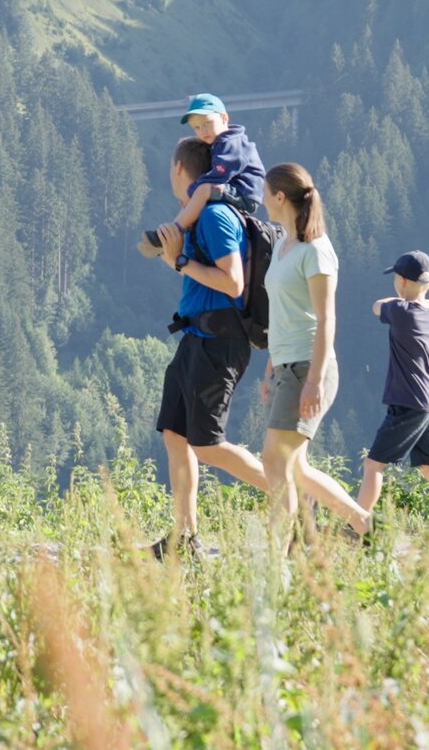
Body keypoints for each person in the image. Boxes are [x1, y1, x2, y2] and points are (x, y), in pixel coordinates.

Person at [150, 136, 269, 559]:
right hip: (195, 339)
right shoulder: (198, 217)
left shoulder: (216, 216)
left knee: (207, 444)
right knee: (176, 434)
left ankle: (289, 492)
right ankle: (184, 537)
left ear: (180, 169)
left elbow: (233, 282)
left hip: (220, 343)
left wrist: (180, 262)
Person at [258, 163, 371, 546]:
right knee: (296, 467)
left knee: (275, 460)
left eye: (264, 191)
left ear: (279, 197)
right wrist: (271, 363)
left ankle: (283, 552)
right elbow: (284, 309)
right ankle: (364, 524)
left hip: (309, 365)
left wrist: (314, 381)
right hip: (286, 364)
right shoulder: (283, 245)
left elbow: (326, 319)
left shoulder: (317, 251)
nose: (260, 198)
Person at [356, 251, 429, 546]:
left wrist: (405, 302)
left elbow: (376, 306)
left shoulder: (400, 311)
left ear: (402, 281)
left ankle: (359, 528)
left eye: (396, 277)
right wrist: (422, 303)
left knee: (373, 466)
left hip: (408, 403)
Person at [139, 94, 265, 257]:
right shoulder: (222, 142)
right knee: (196, 198)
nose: (203, 131)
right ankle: (169, 233)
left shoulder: (231, 143)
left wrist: (194, 188)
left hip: (245, 194)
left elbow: (220, 174)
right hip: (237, 189)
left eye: (207, 123)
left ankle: (175, 231)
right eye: (197, 127)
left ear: (224, 118)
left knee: (203, 190)